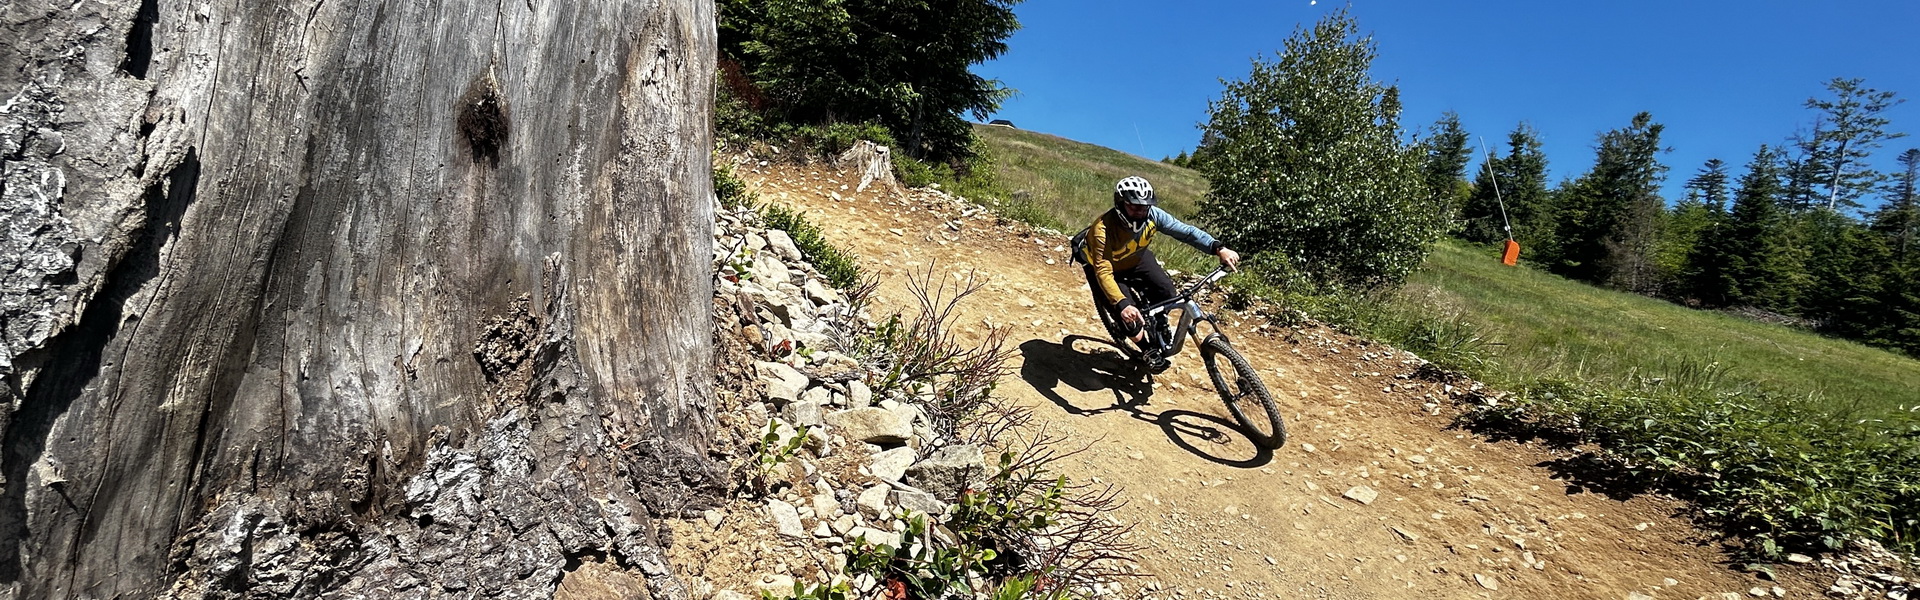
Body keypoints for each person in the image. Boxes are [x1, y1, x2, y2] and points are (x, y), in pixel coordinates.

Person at [1074, 176, 1239, 372]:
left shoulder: (1154, 215)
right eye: (1134, 207)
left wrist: (1218, 248)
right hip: (1105, 269)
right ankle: (1147, 350)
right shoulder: (1102, 230)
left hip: (1136, 257)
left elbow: (1186, 232)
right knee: (1127, 315)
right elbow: (1103, 271)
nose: (1141, 212)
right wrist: (1123, 304)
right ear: (1120, 203)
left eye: (1145, 207)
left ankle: (1159, 322)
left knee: (1168, 293)